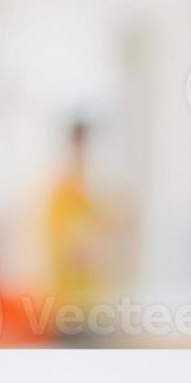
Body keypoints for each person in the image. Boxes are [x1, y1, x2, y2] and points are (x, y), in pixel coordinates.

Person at [44, 121, 107, 319]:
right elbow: (70, 247)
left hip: (87, 298)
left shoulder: (85, 191)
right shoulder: (62, 190)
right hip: (64, 300)